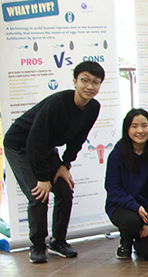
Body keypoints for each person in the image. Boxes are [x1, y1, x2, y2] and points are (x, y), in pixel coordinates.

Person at [4, 61, 104, 263]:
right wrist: (42, 178)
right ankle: (38, 245)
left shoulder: (93, 107)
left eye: (95, 82)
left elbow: (78, 138)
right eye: (84, 80)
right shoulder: (56, 103)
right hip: (19, 145)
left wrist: (64, 165)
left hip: (44, 147)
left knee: (64, 188)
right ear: (74, 81)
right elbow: (34, 142)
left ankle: (58, 241)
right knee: (38, 194)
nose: (89, 86)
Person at [105, 109, 148, 261]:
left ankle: (139, 239)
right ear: (127, 129)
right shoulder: (117, 154)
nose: (140, 131)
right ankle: (126, 241)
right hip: (121, 206)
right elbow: (113, 189)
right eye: (134, 126)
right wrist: (135, 207)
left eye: (144, 125)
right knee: (131, 221)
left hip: (146, 210)